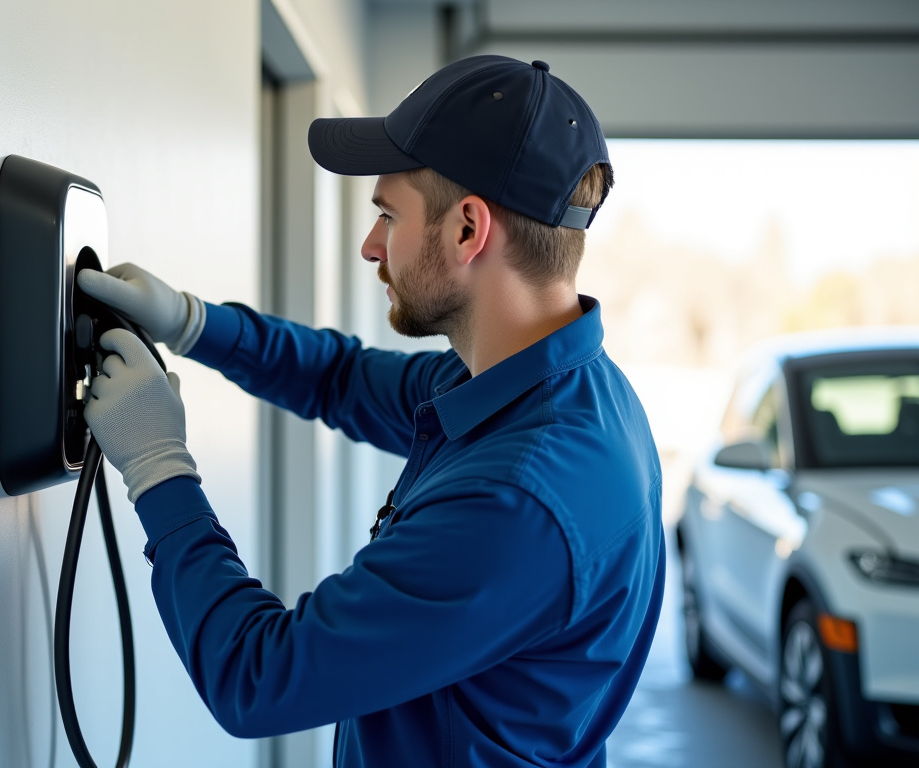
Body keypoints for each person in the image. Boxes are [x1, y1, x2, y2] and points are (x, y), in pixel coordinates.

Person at [77, 54, 664, 768]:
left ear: (467, 231)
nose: (370, 245)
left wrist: (158, 468)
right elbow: (342, 378)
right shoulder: (554, 389)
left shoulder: (516, 501)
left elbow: (260, 680)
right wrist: (193, 322)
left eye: (388, 214)